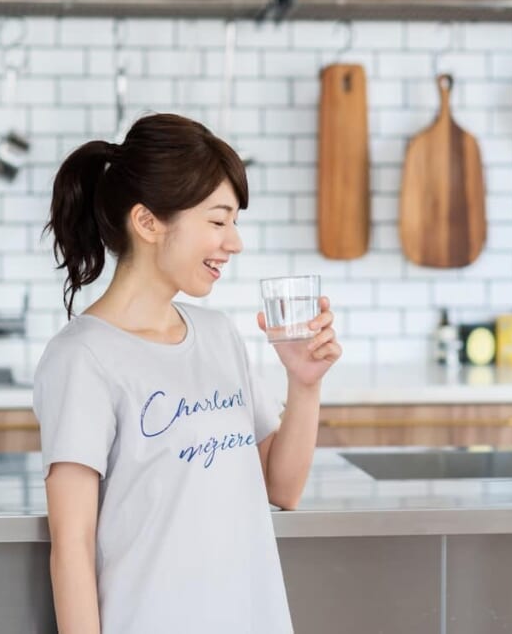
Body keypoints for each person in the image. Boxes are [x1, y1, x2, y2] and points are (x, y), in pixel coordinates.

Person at [33, 113, 342, 633]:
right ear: (149, 222)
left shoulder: (219, 336)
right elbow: (72, 547)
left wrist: (305, 383)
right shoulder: (82, 358)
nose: (235, 242)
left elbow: (281, 488)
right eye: (218, 221)